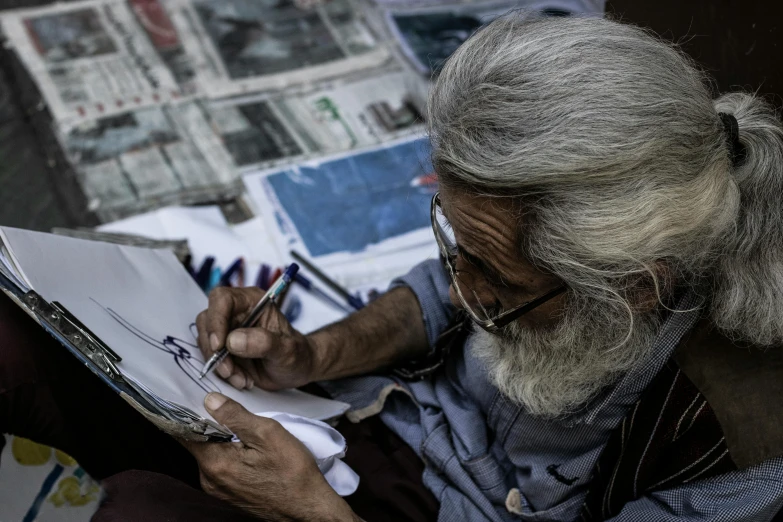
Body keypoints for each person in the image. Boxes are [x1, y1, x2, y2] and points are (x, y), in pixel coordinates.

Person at [4, 13, 783, 521]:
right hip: (359, 428)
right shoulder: (534, 254)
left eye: (498, 287)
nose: (462, 292)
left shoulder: (735, 452)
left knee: (144, 511)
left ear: (629, 289)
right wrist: (313, 354)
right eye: (457, 249)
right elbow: (443, 294)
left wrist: (319, 517)